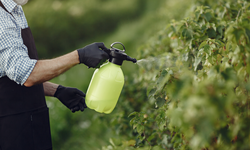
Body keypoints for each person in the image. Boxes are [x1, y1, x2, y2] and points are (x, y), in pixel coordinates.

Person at [0, 0, 109, 149]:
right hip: (11, 130)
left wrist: (57, 90)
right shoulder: (1, 18)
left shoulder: (14, 10)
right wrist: (79, 56)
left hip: (28, 123)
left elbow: (12, 75)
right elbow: (28, 73)